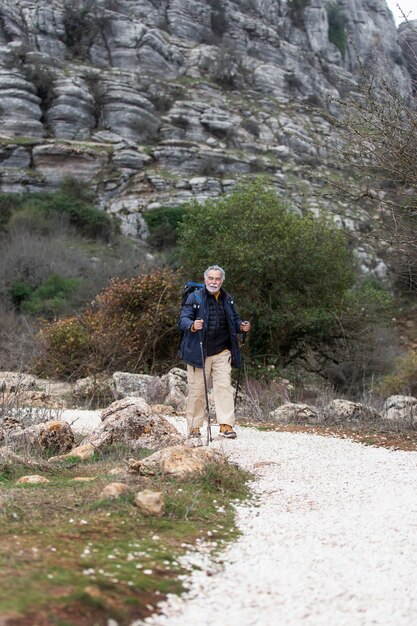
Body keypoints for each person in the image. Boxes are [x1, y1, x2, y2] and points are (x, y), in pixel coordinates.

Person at [178, 264, 250, 441]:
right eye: (211, 278)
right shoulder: (195, 298)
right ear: (205, 280)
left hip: (221, 352)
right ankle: (194, 427)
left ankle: (226, 425)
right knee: (197, 391)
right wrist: (192, 325)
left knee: (224, 387)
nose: (214, 281)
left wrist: (241, 326)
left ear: (222, 280)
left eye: (217, 279)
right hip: (199, 353)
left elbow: (234, 319)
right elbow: (183, 320)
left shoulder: (227, 298)